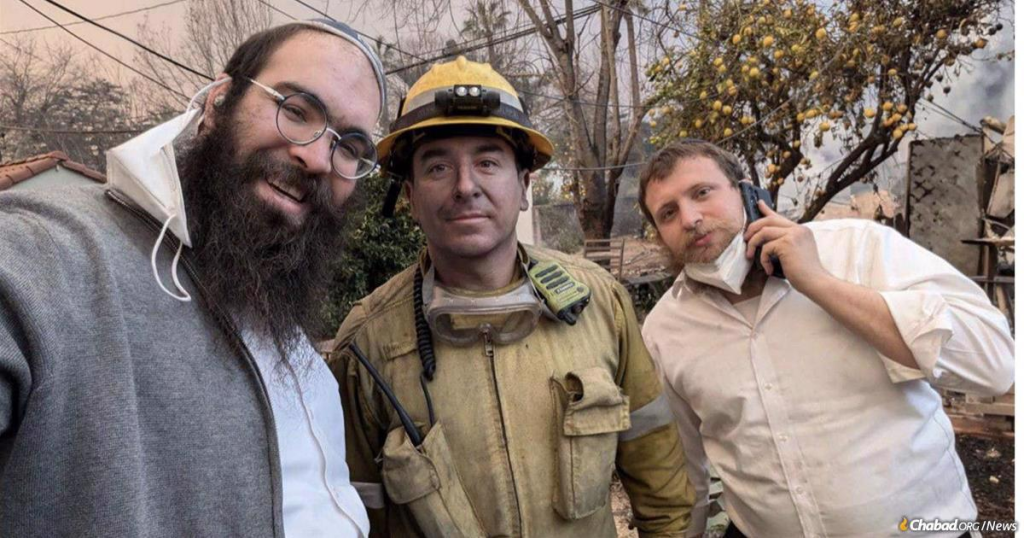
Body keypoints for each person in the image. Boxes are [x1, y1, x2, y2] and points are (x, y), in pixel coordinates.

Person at [0, 20, 387, 537]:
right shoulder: (54, 256)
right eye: (296, 111)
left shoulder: (302, 358)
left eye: (350, 147)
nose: (318, 158)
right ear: (217, 104)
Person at [329, 56, 695, 538]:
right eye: (438, 167)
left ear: (524, 186)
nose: (466, 187)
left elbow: (664, 496)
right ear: (411, 198)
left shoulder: (600, 304)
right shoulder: (366, 346)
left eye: (487, 162)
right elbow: (354, 520)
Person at [638, 139, 1014, 537]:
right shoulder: (665, 330)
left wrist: (818, 282)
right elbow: (683, 470)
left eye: (702, 192)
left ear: (745, 191)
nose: (690, 218)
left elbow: (994, 366)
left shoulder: (858, 247)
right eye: (668, 213)